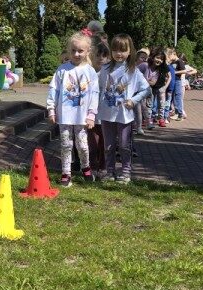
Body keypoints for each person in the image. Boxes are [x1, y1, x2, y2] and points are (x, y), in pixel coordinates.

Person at [46, 33, 99, 185]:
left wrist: (91, 114)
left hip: (82, 117)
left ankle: (86, 168)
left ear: (87, 51)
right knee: (66, 145)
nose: (76, 54)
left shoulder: (90, 71)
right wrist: (51, 109)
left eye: (80, 51)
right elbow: (54, 90)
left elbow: (94, 94)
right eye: (73, 50)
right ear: (69, 50)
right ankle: (66, 173)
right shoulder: (62, 70)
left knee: (82, 145)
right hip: (64, 117)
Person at [98, 34, 150, 184]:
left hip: (124, 115)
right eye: (115, 50)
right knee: (108, 145)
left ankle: (126, 172)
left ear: (129, 51)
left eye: (123, 50)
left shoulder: (133, 71)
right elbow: (97, 87)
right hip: (107, 113)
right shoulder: (105, 69)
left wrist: (133, 100)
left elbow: (146, 89)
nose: (118, 53)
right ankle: (110, 171)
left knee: (124, 144)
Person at [87, 36, 110, 175]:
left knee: (103, 142)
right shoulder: (89, 72)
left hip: (105, 114)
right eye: (98, 55)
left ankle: (103, 166)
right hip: (91, 115)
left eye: (104, 55)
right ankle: (92, 166)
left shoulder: (109, 73)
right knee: (92, 142)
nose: (101, 58)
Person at [148, 47, 170, 126]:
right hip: (151, 87)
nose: (159, 60)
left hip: (161, 87)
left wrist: (165, 87)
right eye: (157, 58)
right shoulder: (148, 65)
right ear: (153, 57)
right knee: (150, 104)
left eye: (161, 59)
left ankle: (161, 118)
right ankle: (149, 119)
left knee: (161, 104)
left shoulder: (164, 66)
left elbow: (169, 76)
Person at [133, 47, 152, 135]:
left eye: (146, 58)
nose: (144, 59)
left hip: (140, 90)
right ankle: (141, 125)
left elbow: (146, 77)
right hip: (134, 90)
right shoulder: (133, 65)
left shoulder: (144, 65)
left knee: (141, 109)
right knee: (139, 109)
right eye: (142, 57)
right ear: (137, 58)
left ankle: (140, 127)